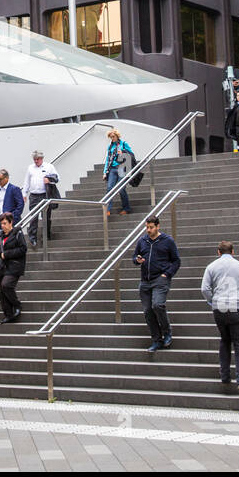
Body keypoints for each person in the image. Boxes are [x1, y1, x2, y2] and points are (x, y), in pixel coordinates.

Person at [200, 241, 239, 398]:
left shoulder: (211, 267)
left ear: (218, 252)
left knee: (225, 340)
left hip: (219, 307)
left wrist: (212, 301)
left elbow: (204, 288)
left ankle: (225, 376)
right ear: (233, 251)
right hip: (236, 306)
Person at [132, 215, 181, 352]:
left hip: (160, 279)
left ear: (158, 226)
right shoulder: (142, 241)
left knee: (157, 305)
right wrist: (137, 260)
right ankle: (156, 340)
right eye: (147, 227)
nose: (148, 230)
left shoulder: (167, 241)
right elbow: (134, 257)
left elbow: (177, 261)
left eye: (151, 227)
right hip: (145, 281)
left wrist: (167, 274)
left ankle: (167, 332)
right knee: (148, 311)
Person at [0, 213, 28, 323]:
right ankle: (8, 314)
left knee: (6, 285)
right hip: (2, 267)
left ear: (11, 222)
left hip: (14, 266)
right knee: (1, 291)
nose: (2, 226)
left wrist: (7, 254)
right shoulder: (0, 236)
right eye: (1, 224)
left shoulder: (18, 233)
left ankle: (17, 305)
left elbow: (23, 249)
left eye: (4, 223)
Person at [21, 149, 59, 248]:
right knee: (33, 216)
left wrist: (49, 180)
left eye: (37, 159)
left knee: (46, 216)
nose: (36, 161)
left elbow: (57, 178)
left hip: (45, 195)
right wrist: (24, 194)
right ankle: (32, 237)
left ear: (42, 159)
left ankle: (46, 235)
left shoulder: (49, 167)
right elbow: (27, 182)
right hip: (34, 195)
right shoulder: (30, 168)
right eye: (34, 159)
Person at [104, 129, 135, 216]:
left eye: (113, 136)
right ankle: (107, 209)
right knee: (110, 188)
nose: (112, 138)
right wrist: (104, 172)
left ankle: (126, 208)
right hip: (112, 169)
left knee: (121, 189)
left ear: (117, 136)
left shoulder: (123, 144)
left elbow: (131, 154)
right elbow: (107, 160)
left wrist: (123, 152)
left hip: (122, 167)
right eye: (110, 137)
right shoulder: (110, 146)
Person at [0, 169, 24, 243]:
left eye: (0, 179)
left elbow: (20, 204)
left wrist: (12, 217)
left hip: (9, 221)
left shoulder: (14, 189)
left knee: (11, 242)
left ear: (6, 178)